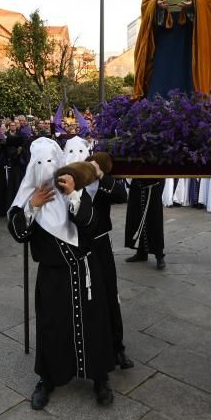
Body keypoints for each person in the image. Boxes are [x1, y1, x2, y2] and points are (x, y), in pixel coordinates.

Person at [7, 139, 115, 409]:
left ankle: (100, 377)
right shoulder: (26, 198)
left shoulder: (75, 187)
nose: (46, 168)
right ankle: (48, 378)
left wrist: (73, 196)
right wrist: (32, 204)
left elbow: (91, 225)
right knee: (52, 327)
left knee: (94, 324)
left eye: (51, 162)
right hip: (53, 276)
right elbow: (19, 233)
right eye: (40, 163)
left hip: (85, 270)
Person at [85, 152, 134, 371]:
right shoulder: (75, 183)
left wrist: (101, 175)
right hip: (79, 246)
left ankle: (117, 347)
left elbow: (121, 195)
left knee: (109, 295)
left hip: (101, 245)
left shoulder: (106, 185)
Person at [125, 179, 166, 270]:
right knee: (136, 218)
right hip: (136, 187)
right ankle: (141, 253)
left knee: (155, 222)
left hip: (153, 186)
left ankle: (159, 255)